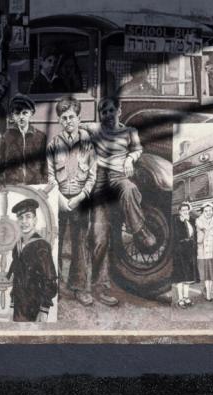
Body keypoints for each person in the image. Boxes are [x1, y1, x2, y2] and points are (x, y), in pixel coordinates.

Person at [82, 96, 153, 307]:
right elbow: (78, 127)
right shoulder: (94, 128)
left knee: (130, 188)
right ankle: (99, 288)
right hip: (99, 181)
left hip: (118, 177)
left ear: (119, 111)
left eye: (111, 110)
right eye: (103, 112)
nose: (107, 115)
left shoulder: (130, 132)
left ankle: (138, 229)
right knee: (100, 238)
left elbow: (138, 149)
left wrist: (131, 158)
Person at [46, 96, 96, 305]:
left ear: (79, 118)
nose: (68, 121)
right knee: (54, 242)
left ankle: (79, 287)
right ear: (59, 121)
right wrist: (59, 198)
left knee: (80, 244)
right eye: (64, 118)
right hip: (59, 200)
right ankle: (54, 286)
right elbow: (49, 174)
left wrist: (79, 198)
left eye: (72, 117)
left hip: (80, 200)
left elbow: (92, 175)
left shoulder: (89, 143)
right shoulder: (53, 145)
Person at [7, 198, 58, 322]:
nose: (24, 221)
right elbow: (17, 279)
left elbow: (50, 281)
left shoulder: (41, 246)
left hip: (35, 308)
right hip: (18, 309)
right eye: (20, 218)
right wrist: (12, 305)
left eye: (28, 216)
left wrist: (44, 309)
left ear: (35, 220)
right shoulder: (17, 246)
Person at [0, 93, 47, 186]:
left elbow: (45, 165)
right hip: (13, 185)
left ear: (31, 113)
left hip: (35, 185)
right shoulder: (7, 137)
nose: (21, 117)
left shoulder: (40, 137)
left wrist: (43, 183)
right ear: (12, 115)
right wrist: (3, 184)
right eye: (17, 113)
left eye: (25, 113)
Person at [195, 202, 213, 302]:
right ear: (203, 212)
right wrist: (204, 234)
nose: (208, 212)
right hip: (203, 251)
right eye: (206, 211)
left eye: (210, 210)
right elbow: (198, 238)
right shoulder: (198, 221)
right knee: (207, 274)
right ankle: (208, 293)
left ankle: (211, 292)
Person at [172, 202, 198, 308]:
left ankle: (187, 298)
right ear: (179, 211)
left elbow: (194, 234)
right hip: (179, 252)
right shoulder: (176, 221)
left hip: (190, 251)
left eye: (187, 210)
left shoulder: (191, 220)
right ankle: (180, 299)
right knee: (180, 277)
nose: (185, 212)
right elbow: (176, 235)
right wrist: (182, 221)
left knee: (188, 277)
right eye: (183, 210)